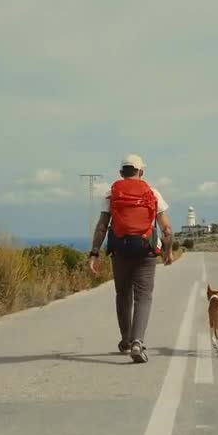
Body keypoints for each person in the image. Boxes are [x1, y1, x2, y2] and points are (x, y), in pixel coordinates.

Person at [88, 153, 174, 363]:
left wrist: (94, 252)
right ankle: (137, 341)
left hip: (120, 251)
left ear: (121, 173)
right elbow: (167, 229)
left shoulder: (111, 193)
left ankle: (126, 340)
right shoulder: (152, 192)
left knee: (122, 294)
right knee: (143, 296)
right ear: (141, 172)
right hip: (145, 251)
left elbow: (101, 227)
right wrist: (168, 251)